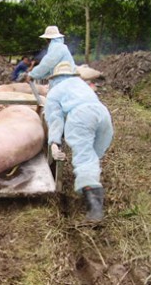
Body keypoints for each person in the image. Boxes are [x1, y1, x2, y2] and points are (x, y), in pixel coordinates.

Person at [44, 61, 113, 223]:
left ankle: (95, 209)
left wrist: (54, 143)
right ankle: (92, 184)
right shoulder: (81, 84)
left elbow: (55, 120)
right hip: (103, 114)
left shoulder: (54, 93)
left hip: (81, 117)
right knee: (93, 155)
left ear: (55, 79)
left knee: (84, 159)